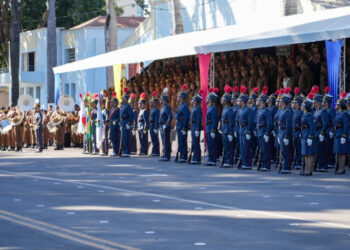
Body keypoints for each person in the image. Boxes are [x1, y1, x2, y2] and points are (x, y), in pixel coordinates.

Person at [312, 86, 329, 172]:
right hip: (316, 132)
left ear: (318, 103)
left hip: (320, 132)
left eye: (315, 102)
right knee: (318, 150)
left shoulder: (322, 111)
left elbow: (325, 123)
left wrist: (322, 133)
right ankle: (319, 164)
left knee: (322, 150)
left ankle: (323, 166)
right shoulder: (316, 111)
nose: (314, 104)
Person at [256, 87, 273, 171]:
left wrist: (267, 133)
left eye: (259, 100)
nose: (257, 102)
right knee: (262, 149)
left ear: (262, 101)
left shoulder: (266, 111)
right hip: (259, 131)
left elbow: (269, 123)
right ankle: (263, 163)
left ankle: (266, 165)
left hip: (263, 131)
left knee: (266, 149)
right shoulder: (259, 110)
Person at [236, 85, 253, 170]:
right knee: (242, 148)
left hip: (246, 129)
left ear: (243, 101)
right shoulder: (239, 110)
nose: (238, 102)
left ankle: (248, 163)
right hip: (241, 129)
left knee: (246, 148)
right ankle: (244, 162)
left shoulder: (248, 110)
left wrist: (249, 131)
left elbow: (250, 122)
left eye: (240, 101)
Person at [300, 93, 316, 176]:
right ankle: (306, 168)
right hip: (304, 135)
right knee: (305, 153)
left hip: (308, 136)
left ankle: (309, 170)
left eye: (303, 104)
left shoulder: (309, 116)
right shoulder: (304, 114)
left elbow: (312, 127)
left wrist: (310, 137)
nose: (301, 106)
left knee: (309, 154)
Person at [278, 87, 293, 174]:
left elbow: (288, 125)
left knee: (286, 151)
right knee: (282, 151)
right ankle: (284, 166)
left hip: (285, 133)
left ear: (284, 102)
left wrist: (287, 136)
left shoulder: (287, 112)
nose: (279, 102)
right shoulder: (282, 111)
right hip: (281, 132)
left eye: (281, 101)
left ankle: (286, 167)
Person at [334, 92, 349, 174]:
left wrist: (344, 135)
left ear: (341, 106)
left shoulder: (345, 114)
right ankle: (339, 167)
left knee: (342, 153)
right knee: (339, 152)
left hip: (342, 134)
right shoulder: (339, 113)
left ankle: (342, 168)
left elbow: (346, 126)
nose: (336, 105)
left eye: (338, 104)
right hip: (337, 133)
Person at [175, 84, 190, 163]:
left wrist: (184, 127)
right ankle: (181, 155)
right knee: (180, 141)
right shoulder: (180, 105)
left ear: (181, 97)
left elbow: (186, 117)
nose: (177, 98)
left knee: (183, 141)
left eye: (179, 96)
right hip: (179, 125)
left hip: (182, 126)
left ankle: (184, 156)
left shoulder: (184, 106)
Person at [220, 85, 234, 168]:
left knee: (229, 147)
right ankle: (225, 160)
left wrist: (230, 132)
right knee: (225, 147)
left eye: (223, 99)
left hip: (228, 130)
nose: (221, 101)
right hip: (224, 130)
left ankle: (229, 161)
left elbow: (231, 122)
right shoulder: (224, 109)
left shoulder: (229, 110)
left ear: (227, 101)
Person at [205, 88, 219, 166]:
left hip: (211, 129)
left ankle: (212, 160)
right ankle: (210, 159)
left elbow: (215, 120)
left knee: (212, 145)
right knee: (210, 145)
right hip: (208, 128)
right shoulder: (209, 108)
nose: (206, 99)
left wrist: (213, 130)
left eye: (207, 98)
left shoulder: (213, 109)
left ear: (210, 100)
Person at [322, 87, 336, 168]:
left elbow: (333, 122)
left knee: (329, 147)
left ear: (328, 103)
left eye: (325, 102)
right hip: (324, 131)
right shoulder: (324, 110)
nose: (323, 103)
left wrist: (331, 130)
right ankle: (327, 161)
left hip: (329, 131)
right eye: (323, 102)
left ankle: (331, 161)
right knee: (325, 147)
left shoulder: (331, 111)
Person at [159, 88, 173, 161]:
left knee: (166, 141)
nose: (160, 100)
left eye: (161, 99)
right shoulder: (163, 107)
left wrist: (166, 124)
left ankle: (167, 155)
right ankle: (165, 154)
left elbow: (170, 117)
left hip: (165, 126)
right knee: (164, 141)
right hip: (162, 126)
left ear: (164, 100)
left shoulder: (167, 107)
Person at [189, 90, 203, 164]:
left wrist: (197, 128)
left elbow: (198, 119)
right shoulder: (194, 108)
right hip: (193, 126)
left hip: (195, 126)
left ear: (196, 101)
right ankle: (196, 157)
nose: (192, 101)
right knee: (194, 143)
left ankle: (197, 158)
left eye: (193, 100)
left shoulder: (198, 108)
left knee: (196, 143)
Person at [291, 88, 303, 170]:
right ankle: (295, 161)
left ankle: (299, 163)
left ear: (298, 104)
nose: (293, 104)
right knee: (294, 148)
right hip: (293, 131)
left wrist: (301, 132)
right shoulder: (293, 112)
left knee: (298, 148)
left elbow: (302, 123)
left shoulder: (300, 112)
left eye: (294, 103)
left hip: (298, 131)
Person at [120, 88, 134, 157]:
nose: (122, 99)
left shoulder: (128, 106)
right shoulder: (122, 106)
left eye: (123, 98)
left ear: (126, 99)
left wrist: (129, 123)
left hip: (126, 122)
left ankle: (127, 151)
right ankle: (124, 150)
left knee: (126, 137)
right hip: (123, 122)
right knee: (123, 137)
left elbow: (131, 115)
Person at [109, 92, 121, 157]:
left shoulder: (118, 109)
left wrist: (116, 121)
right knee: (112, 138)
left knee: (116, 139)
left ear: (116, 103)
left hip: (116, 126)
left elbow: (120, 117)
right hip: (111, 126)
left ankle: (116, 151)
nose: (111, 103)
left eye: (113, 102)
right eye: (111, 102)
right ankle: (114, 150)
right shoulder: (111, 109)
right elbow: (110, 117)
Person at [149, 91, 160, 157]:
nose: (151, 104)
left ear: (155, 103)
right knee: (153, 138)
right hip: (151, 124)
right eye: (151, 102)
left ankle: (156, 151)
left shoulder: (156, 110)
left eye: (152, 102)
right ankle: (154, 150)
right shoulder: (152, 109)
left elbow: (157, 119)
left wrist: (156, 127)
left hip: (154, 125)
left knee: (155, 138)